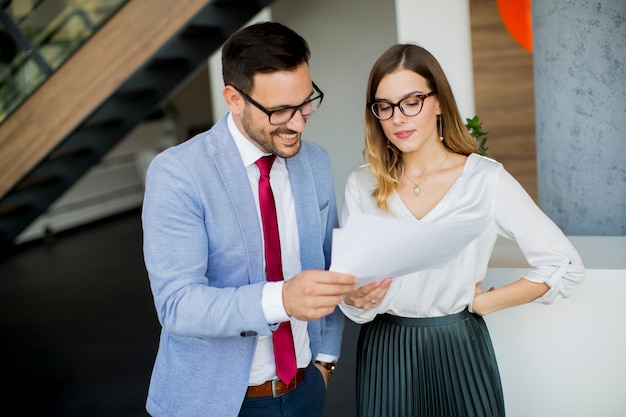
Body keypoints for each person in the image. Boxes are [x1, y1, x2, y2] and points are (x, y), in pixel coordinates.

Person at [339, 44, 585, 417]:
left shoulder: (484, 178)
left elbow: (565, 264)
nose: (398, 118)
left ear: (438, 102)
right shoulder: (362, 184)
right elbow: (351, 292)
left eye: (412, 101)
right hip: (385, 349)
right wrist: (354, 300)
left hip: (460, 346)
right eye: (385, 106)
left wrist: (486, 302)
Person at [141, 22, 357, 417]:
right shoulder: (178, 173)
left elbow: (329, 264)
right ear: (234, 99)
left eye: (306, 101)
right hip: (218, 403)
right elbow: (177, 304)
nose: (299, 122)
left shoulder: (315, 162)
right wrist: (282, 299)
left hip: (306, 389)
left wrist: (326, 360)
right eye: (279, 111)